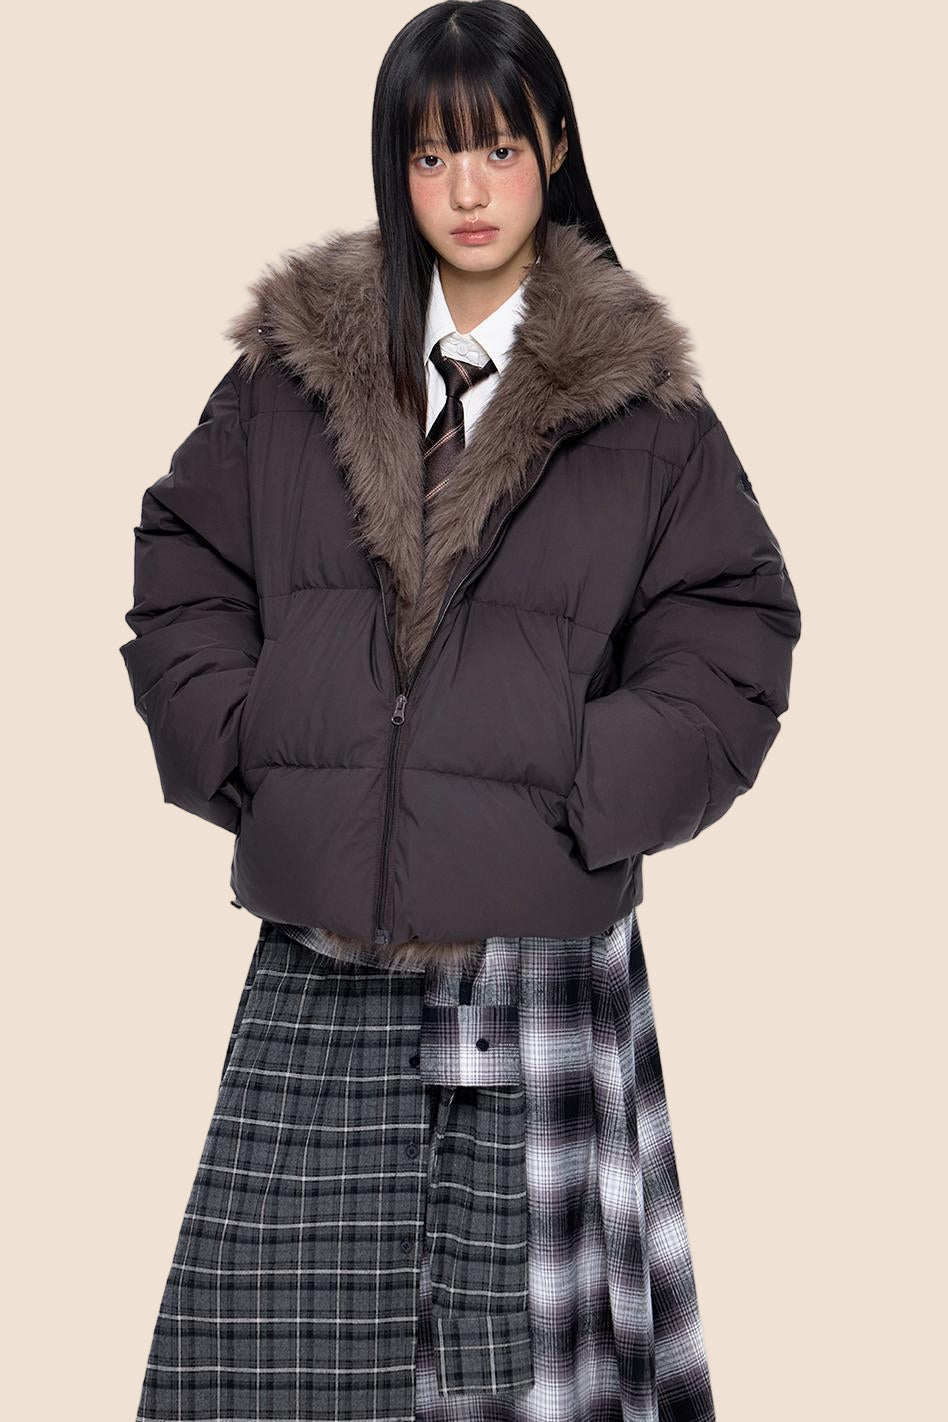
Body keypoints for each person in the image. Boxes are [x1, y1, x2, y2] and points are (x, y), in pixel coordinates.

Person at [119, 3, 801, 1419]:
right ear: (396, 166)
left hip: (532, 960)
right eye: (433, 156)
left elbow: (734, 634)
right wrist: (253, 752)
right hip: (324, 952)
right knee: (265, 1360)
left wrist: (578, 787)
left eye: (498, 147)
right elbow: (183, 563)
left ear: (556, 145)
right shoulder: (294, 375)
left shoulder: (645, 411)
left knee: (523, 1379)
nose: (469, 189)